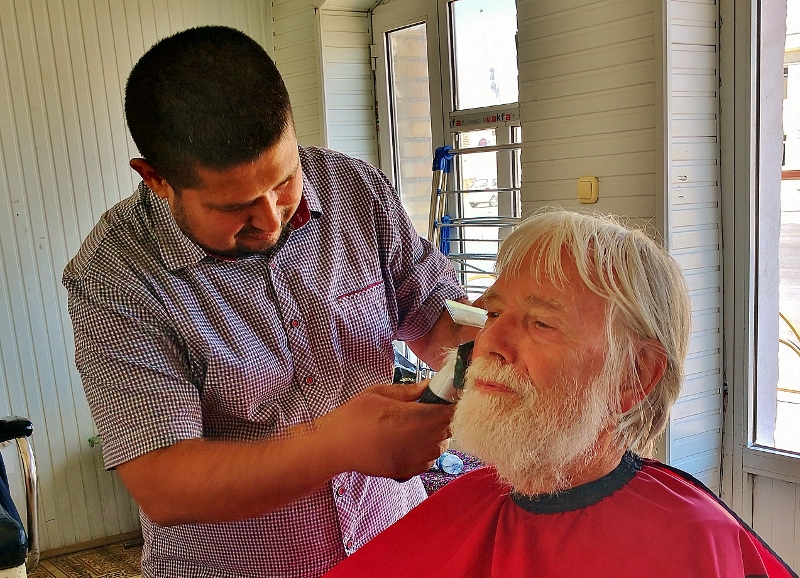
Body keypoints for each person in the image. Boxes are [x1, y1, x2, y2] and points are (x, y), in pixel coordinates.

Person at [62, 25, 477, 578]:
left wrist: (491, 334)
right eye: (236, 207)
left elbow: (432, 315)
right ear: (157, 179)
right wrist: (336, 445)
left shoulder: (353, 188)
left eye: (284, 180)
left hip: (390, 538)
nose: (274, 218)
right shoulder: (114, 273)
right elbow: (165, 482)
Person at [323, 210, 797, 578]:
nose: (491, 344)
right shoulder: (463, 502)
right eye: (492, 313)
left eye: (541, 323)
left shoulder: (691, 541)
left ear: (632, 376)